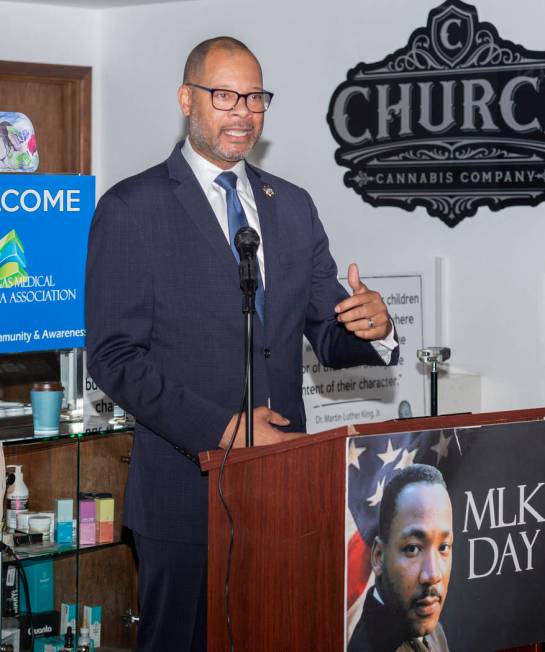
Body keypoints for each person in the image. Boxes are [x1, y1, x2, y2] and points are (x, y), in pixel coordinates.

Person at [85, 36, 399, 652]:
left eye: (255, 97)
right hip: (184, 495)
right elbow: (115, 358)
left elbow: (328, 334)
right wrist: (227, 429)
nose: (243, 112)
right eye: (224, 95)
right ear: (187, 99)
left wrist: (376, 330)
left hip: (286, 485)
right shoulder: (131, 208)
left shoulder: (293, 206)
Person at [348, 464, 453, 652]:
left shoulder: (432, 630)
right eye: (413, 549)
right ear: (379, 557)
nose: (433, 574)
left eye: (443, 547)